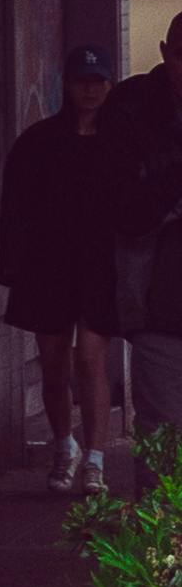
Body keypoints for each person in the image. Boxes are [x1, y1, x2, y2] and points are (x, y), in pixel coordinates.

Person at [2, 45, 127, 494]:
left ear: (110, 85)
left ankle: (95, 460)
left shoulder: (121, 143)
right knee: (53, 365)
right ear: (68, 85)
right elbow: (15, 205)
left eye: (98, 81)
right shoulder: (39, 142)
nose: (90, 90)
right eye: (82, 81)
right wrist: (13, 265)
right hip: (48, 267)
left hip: (99, 266)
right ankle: (64, 447)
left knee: (90, 358)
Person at [107, 36, 182, 484]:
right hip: (160, 305)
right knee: (162, 431)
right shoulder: (135, 108)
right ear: (163, 52)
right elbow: (125, 209)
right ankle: (164, 546)